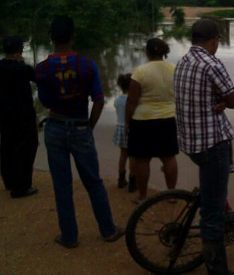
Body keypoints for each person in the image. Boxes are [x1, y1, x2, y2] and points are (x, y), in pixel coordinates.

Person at [35, 15, 124, 248]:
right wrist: (88, 127)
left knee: (62, 186)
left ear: (51, 38)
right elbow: (98, 101)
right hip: (80, 126)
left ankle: (69, 236)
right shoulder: (87, 64)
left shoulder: (42, 69)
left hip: (54, 127)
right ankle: (108, 230)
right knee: (93, 182)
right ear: (73, 36)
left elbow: (44, 102)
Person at [174, 19, 234, 275]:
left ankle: (222, 214)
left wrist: (219, 101)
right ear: (215, 40)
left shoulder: (182, 62)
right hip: (212, 144)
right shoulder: (211, 63)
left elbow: (198, 97)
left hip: (191, 142)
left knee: (213, 192)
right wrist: (224, 101)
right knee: (211, 215)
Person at [125, 38, 178, 203]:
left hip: (143, 121)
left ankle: (143, 196)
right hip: (168, 119)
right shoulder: (174, 69)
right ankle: (171, 194)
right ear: (164, 52)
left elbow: (132, 101)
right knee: (169, 158)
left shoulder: (140, 72)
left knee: (142, 159)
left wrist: (127, 122)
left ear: (147, 53)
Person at [0, 36, 39, 198]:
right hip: (23, 116)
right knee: (26, 148)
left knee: (7, 146)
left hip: (4, 115)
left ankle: (9, 181)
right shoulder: (22, 69)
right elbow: (37, 77)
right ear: (20, 50)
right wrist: (21, 63)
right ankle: (21, 186)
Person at [113, 73, 136, 192]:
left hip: (119, 128)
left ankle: (121, 178)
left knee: (123, 155)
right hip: (130, 129)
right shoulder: (132, 100)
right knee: (133, 156)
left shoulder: (117, 100)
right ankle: (133, 180)